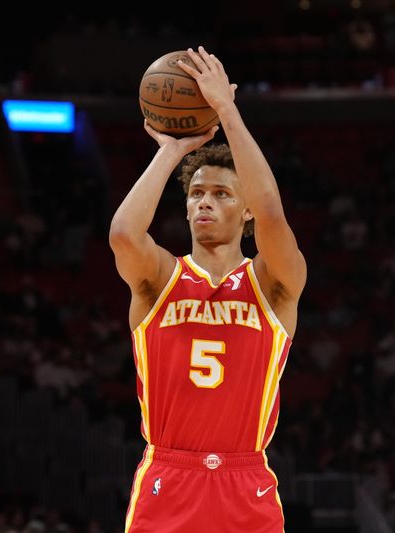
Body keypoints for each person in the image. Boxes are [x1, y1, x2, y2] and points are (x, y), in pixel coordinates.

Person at [109, 46, 307, 532]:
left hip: (246, 480)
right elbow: (123, 235)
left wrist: (226, 110)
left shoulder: (272, 285)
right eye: (196, 193)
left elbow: (273, 214)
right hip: (168, 476)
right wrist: (172, 150)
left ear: (244, 212)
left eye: (221, 194)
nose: (204, 202)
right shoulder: (160, 280)